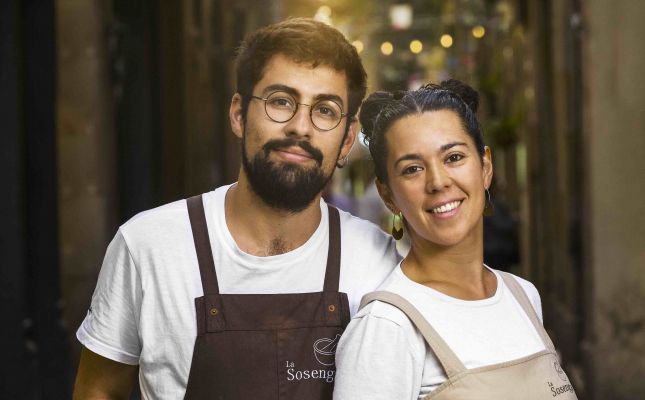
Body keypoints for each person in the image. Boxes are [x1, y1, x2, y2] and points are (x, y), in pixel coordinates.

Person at [72, 18, 400, 400]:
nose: (300, 127)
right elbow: (97, 390)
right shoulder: (148, 246)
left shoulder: (379, 264)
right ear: (239, 114)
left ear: (346, 140)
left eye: (325, 110)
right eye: (281, 101)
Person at [333, 80, 578, 399]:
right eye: (412, 169)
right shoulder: (386, 327)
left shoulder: (523, 296)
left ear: (485, 167)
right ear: (387, 195)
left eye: (453, 158)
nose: (438, 182)